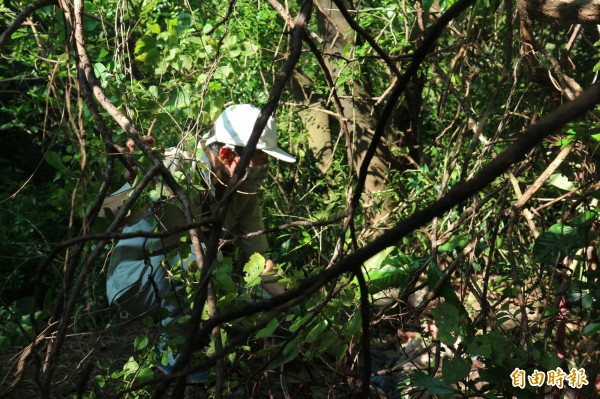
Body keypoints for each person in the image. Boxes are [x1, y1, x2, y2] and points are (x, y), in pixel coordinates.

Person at [103, 104, 295, 381]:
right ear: (228, 154)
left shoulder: (243, 189)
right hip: (137, 280)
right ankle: (174, 359)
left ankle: (210, 339)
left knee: (255, 290)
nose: (263, 169)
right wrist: (137, 177)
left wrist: (291, 304)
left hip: (188, 276)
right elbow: (113, 212)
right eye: (260, 159)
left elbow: (260, 260)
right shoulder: (175, 167)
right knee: (203, 256)